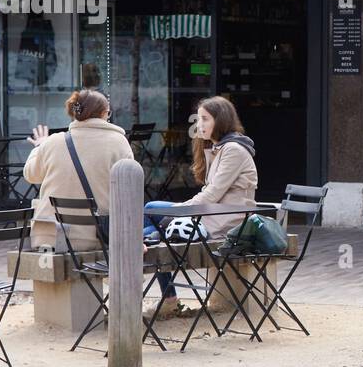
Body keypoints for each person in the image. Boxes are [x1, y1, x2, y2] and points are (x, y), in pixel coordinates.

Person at [143, 96, 258, 320]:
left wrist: (180, 209)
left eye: (205, 119)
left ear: (221, 120)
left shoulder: (233, 150)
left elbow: (212, 194)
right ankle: (166, 298)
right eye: (198, 120)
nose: (199, 125)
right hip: (212, 216)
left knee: (150, 222)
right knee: (150, 229)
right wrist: (180, 209)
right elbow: (210, 193)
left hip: (225, 223)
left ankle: (164, 297)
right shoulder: (220, 148)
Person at [22, 89, 133, 251]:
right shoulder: (119, 143)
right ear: (104, 113)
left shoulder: (52, 142)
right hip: (98, 238)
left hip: (50, 237)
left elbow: (31, 175)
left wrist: (39, 146)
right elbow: (128, 190)